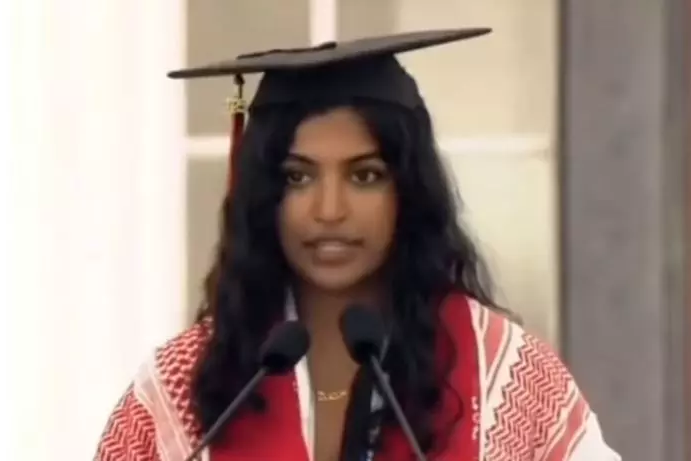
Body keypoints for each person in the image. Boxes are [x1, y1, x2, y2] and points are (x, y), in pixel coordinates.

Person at [95, 29, 621, 461]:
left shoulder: (507, 374)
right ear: (263, 195)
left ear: (408, 190)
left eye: (365, 175)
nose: (329, 210)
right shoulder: (181, 387)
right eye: (298, 177)